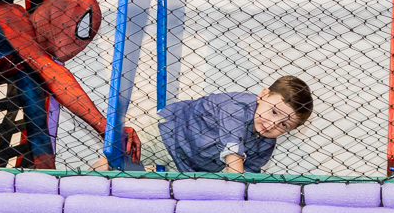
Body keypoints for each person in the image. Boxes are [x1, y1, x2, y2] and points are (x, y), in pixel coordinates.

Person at [0, 0, 141, 169]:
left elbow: (38, 133)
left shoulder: (28, 63)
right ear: (56, 16)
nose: (80, 44)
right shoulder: (12, 15)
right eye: (80, 27)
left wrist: (51, 184)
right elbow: (54, 73)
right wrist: (108, 130)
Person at [93, 75, 313, 174]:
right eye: (274, 111)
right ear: (263, 94)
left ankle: (147, 171)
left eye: (284, 126)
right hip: (167, 136)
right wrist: (237, 190)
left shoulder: (266, 143)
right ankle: (82, 179)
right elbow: (233, 148)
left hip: (188, 167)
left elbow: (250, 170)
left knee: (148, 180)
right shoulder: (237, 106)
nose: (272, 124)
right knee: (117, 159)